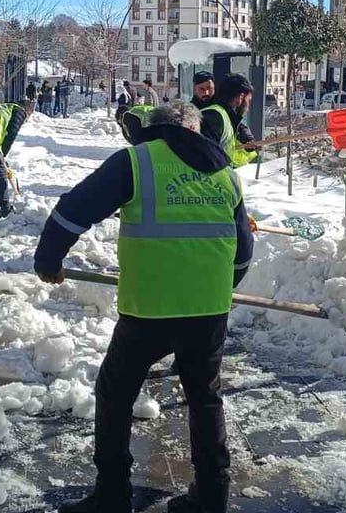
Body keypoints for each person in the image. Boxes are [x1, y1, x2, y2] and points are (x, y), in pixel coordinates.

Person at [34, 102, 254, 513]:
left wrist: (48, 260)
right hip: (208, 311)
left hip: (150, 310)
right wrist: (221, 287)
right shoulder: (226, 173)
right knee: (205, 399)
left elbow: (73, 209)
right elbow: (243, 252)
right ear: (194, 129)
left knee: (115, 394)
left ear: (152, 130)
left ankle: (113, 494)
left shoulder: (136, 162)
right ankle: (211, 495)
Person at [200, 74, 260, 168]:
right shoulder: (215, 118)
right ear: (241, 97)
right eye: (248, 100)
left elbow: (226, 153)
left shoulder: (223, 117)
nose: (248, 105)